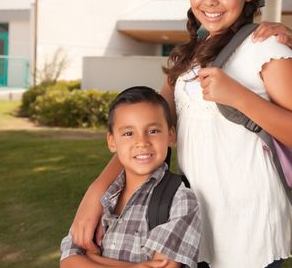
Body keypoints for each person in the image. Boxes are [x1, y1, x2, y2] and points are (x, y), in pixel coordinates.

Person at [69, 0, 292, 268]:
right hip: (188, 224)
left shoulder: (269, 49)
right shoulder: (188, 57)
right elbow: (148, 129)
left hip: (248, 231)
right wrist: (95, 194)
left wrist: (239, 96)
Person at [60, 86, 201, 268]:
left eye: (153, 131)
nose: (141, 142)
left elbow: (164, 265)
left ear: (170, 136)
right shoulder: (103, 199)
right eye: (128, 133)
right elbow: (67, 261)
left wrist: (92, 258)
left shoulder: (179, 200)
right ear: (112, 142)